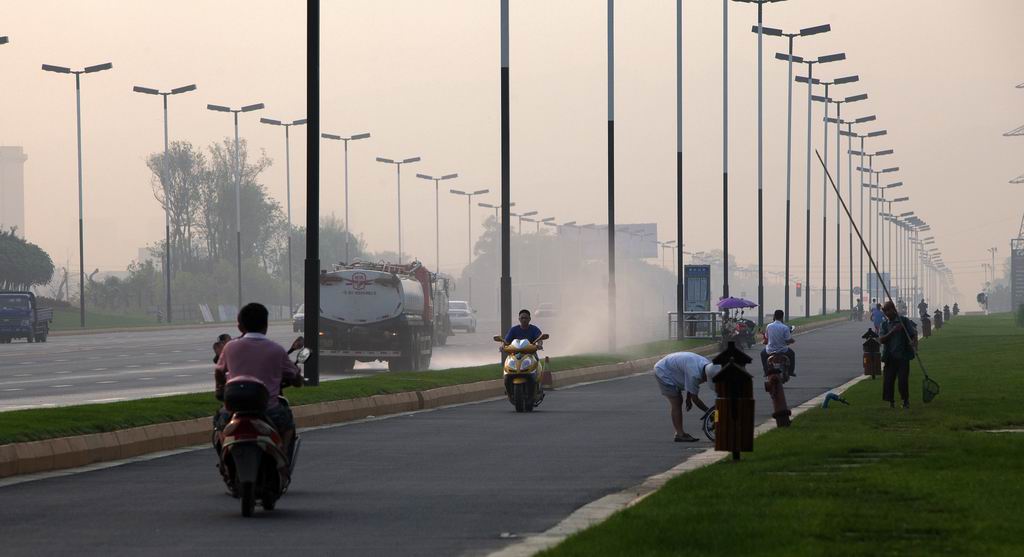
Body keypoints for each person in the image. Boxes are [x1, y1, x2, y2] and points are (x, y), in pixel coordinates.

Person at [213, 303, 303, 456]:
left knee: (218, 425)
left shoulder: (230, 347)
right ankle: (282, 459)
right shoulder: (276, 349)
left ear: (240, 326)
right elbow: (294, 377)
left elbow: (219, 371)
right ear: (266, 325)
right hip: (269, 409)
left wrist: (220, 388)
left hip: (234, 410)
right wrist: (297, 379)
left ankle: (224, 459)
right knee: (288, 425)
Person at [653, 351, 721, 442]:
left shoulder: (707, 366)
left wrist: (688, 398)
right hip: (663, 370)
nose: (705, 381)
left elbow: (690, 384)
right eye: (706, 380)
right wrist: (709, 413)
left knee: (680, 400)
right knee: (677, 402)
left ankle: (680, 433)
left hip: (674, 365)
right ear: (706, 376)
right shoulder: (694, 374)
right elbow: (695, 399)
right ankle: (679, 434)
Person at [879, 300, 918, 409]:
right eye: (885, 311)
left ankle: (905, 400)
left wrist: (913, 342)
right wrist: (893, 331)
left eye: (888, 310)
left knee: (903, 380)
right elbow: (881, 339)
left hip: (903, 357)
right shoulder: (885, 324)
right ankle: (891, 401)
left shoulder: (904, 321)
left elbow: (913, 334)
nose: (887, 313)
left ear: (894, 309)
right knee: (888, 381)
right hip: (890, 357)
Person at [760, 309, 796, 376]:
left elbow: (766, 338)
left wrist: (765, 342)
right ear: (782, 317)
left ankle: (765, 371)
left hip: (770, 350)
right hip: (782, 350)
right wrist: (792, 340)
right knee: (792, 354)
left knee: (762, 354)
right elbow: (788, 340)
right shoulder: (785, 327)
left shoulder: (769, 326)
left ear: (774, 316)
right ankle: (791, 372)